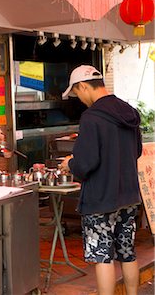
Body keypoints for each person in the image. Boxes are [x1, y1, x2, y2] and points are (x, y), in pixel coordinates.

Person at [60, 65, 142, 295]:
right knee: (127, 251)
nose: (80, 100)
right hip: (128, 195)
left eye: (78, 94)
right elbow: (135, 151)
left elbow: (85, 164)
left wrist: (70, 164)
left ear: (83, 86)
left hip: (100, 198)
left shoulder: (92, 117)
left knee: (103, 256)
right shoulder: (129, 112)